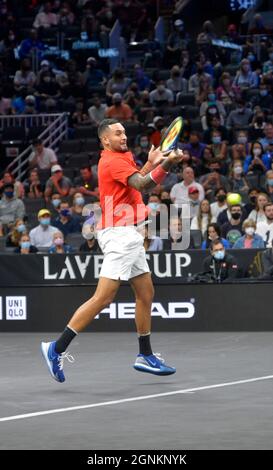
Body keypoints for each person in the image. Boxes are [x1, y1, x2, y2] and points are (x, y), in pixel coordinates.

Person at [41, 118, 183, 382]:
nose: (123, 136)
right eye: (118, 133)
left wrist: (152, 162)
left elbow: (135, 180)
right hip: (120, 235)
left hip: (129, 233)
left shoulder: (120, 157)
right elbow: (143, 185)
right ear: (105, 139)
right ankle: (56, 348)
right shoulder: (113, 160)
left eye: (124, 132)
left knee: (145, 292)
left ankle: (145, 354)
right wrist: (167, 164)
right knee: (103, 298)